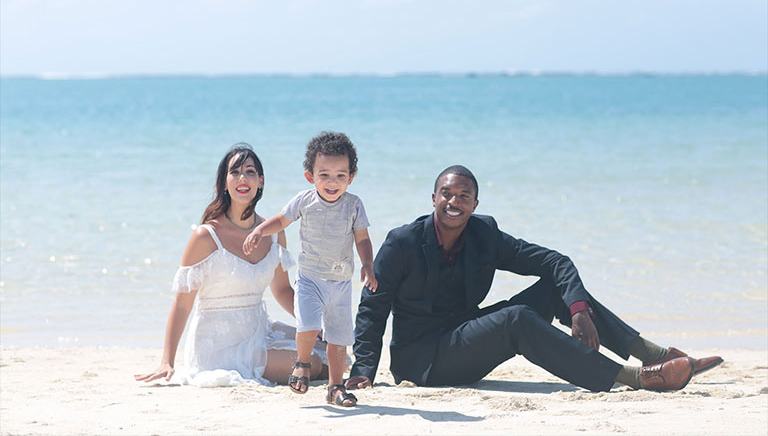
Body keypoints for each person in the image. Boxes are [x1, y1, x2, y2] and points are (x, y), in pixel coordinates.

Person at [346, 165, 723, 393]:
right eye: (446, 194)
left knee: (553, 289)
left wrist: (578, 311)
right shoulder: (403, 242)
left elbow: (556, 262)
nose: (454, 202)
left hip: (464, 335)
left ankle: (657, 355)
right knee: (516, 319)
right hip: (424, 360)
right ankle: (634, 378)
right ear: (432, 198)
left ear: (475, 205)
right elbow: (373, 307)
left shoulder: (484, 234)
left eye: (464, 196)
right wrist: (364, 369)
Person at [135, 144, 327, 387]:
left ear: (260, 181)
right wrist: (167, 360)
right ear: (224, 183)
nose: (242, 178)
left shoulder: (273, 232)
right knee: (313, 364)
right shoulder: (206, 236)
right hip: (219, 346)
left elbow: (282, 291)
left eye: (249, 171)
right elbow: (183, 304)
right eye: (234, 172)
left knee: (327, 348)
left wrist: (310, 324)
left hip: (258, 332)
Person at [243, 131, 377, 407]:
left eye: (341, 175)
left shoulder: (354, 205)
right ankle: (302, 364)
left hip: (340, 282)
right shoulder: (304, 200)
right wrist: (259, 230)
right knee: (308, 325)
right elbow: (281, 220)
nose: (332, 182)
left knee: (338, 338)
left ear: (351, 178)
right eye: (324, 174)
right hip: (309, 279)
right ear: (310, 176)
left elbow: (362, 238)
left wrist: (368, 265)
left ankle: (336, 387)